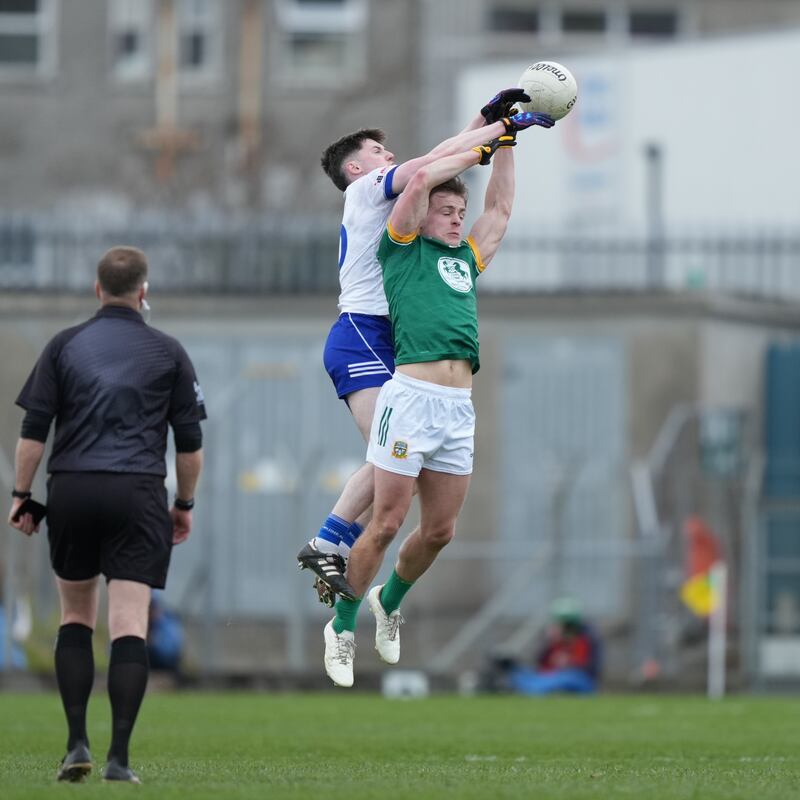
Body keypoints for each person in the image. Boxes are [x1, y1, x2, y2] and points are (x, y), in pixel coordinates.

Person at [322, 113, 554, 686]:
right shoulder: (401, 250)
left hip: (457, 409)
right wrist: (487, 133)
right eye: (447, 213)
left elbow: (498, 213)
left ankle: (388, 601)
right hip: (412, 398)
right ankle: (342, 625)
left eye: (458, 214)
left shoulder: (464, 261)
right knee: (387, 520)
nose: (456, 221)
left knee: (440, 532)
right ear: (420, 216)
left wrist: (509, 144)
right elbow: (421, 176)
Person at [7, 246, 206, 783]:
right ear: (144, 292)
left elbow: (33, 434)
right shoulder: (167, 352)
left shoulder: (63, 346)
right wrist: (183, 504)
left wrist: (22, 495)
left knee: (76, 617)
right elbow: (190, 446)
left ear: (98, 290)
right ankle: (118, 758)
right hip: (137, 492)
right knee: (127, 625)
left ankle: (76, 744)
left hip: (71, 487)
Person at [490, 598, 602, 695]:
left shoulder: (586, 640)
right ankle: (513, 683)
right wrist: (550, 643)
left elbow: (590, 669)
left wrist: (569, 662)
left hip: (576, 679)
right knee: (525, 674)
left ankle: (525, 689)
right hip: (549, 677)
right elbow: (540, 665)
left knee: (566, 678)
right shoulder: (554, 641)